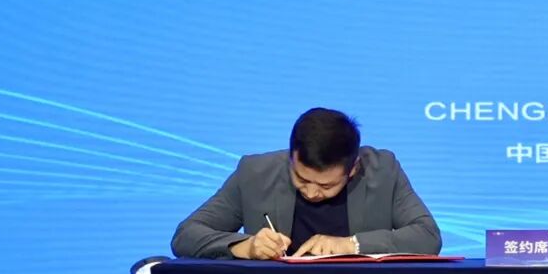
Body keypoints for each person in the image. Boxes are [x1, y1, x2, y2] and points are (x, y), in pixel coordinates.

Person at [172, 108, 441, 259]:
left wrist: (351, 245)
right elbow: (186, 235)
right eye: (301, 179)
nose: (312, 192)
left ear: (353, 169)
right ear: (291, 158)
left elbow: (428, 237)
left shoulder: (383, 171)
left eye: (326, 186)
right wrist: (244, 246)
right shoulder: (255, 172)